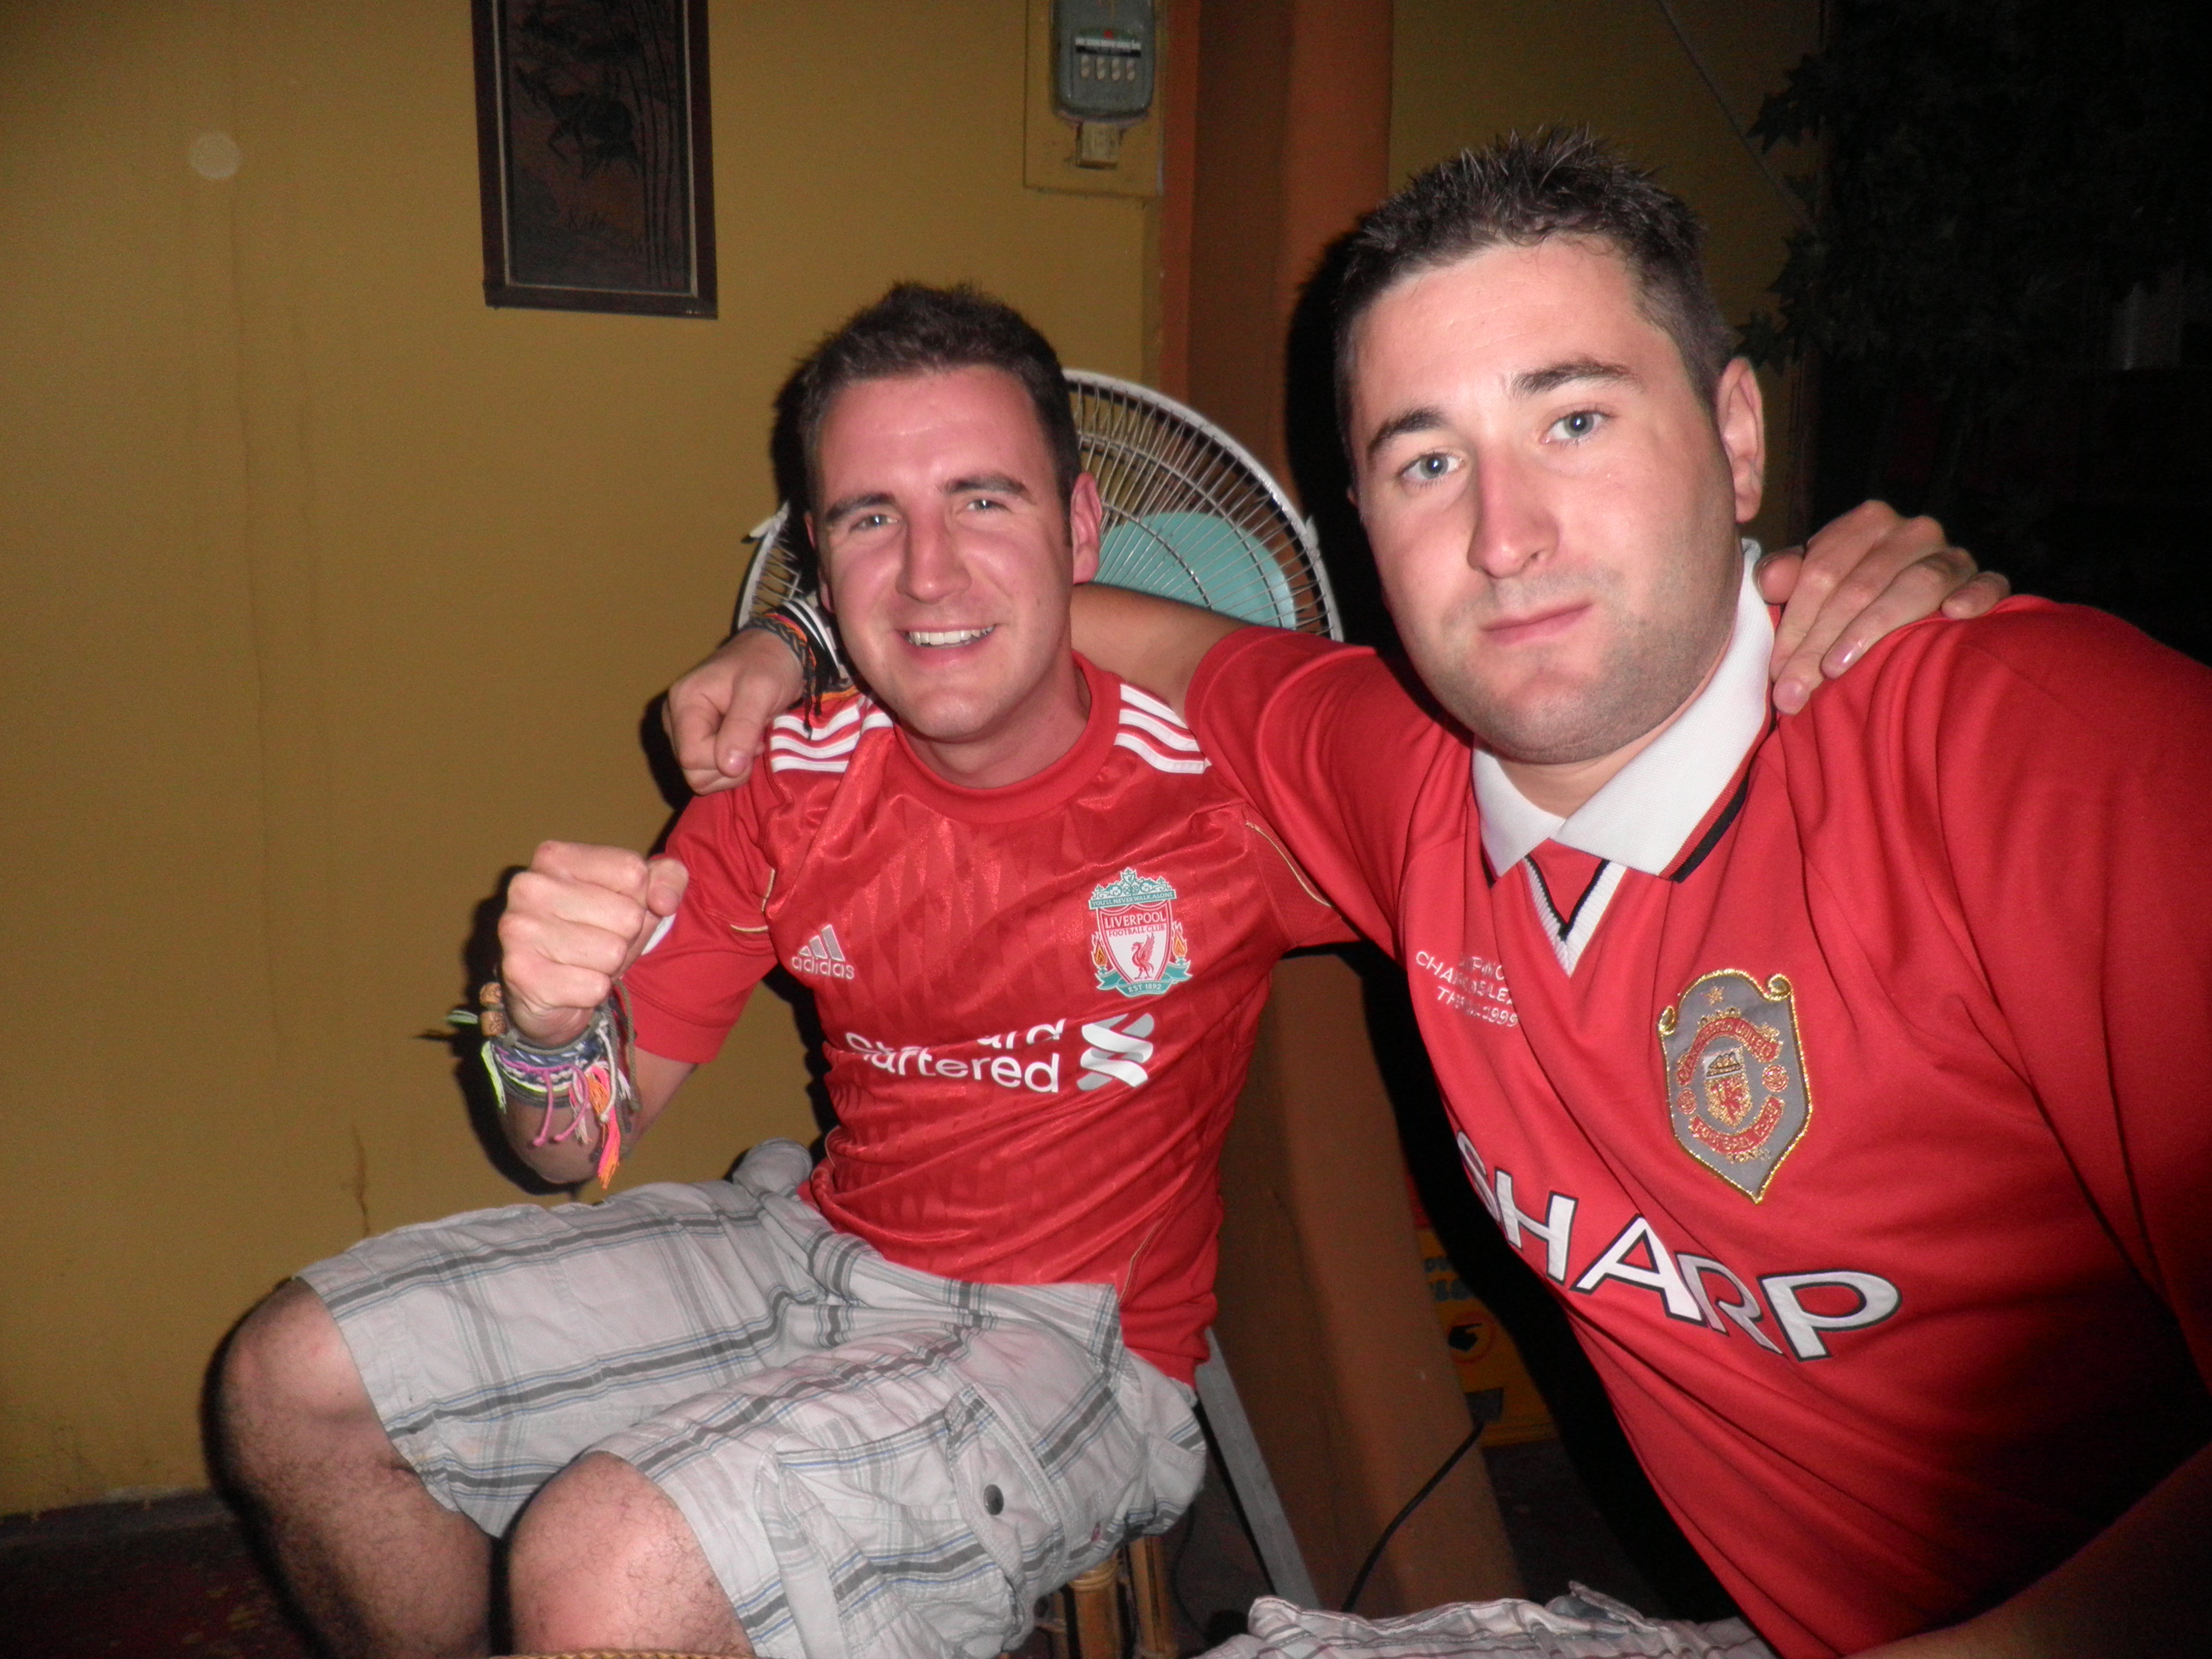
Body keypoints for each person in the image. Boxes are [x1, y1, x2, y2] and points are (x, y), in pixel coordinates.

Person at [218, 278, 1988, 1659]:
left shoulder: (1241, 780)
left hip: (1076, 1344)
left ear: (1082, 531)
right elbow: (574, 1144)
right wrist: (544, 1029)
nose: (930, 572)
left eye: (982, 500)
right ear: (817, 565)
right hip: (817, 1243)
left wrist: (1832, 623)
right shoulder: (781, 785)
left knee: (605, 1555)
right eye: (868, 519)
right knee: (288, 1379)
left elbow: (1582, 744)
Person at [670, 135, 2211, 1659]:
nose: (1503, 535)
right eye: (1427, 463)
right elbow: (1084, 624)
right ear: (1360, 519)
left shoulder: (2056, 759)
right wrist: (795, 639)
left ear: (1737, 434)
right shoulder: (1389, 770)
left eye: (1576, 421)